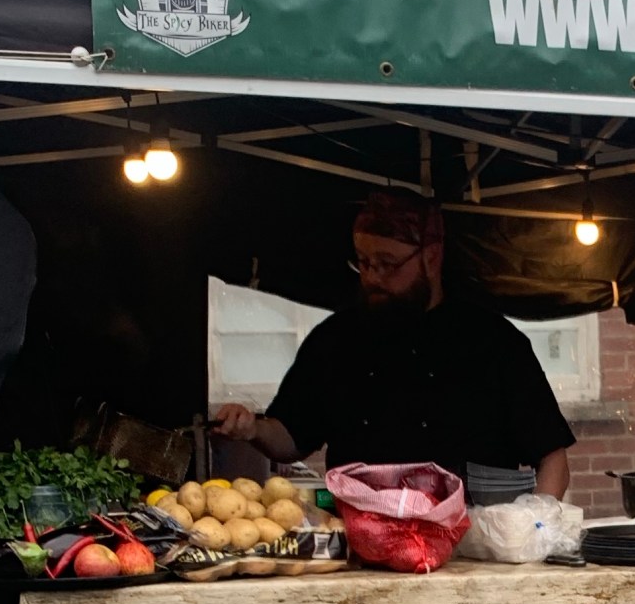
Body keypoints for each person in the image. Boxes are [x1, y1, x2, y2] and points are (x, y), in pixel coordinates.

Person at [210, 190, 575, 496]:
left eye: (388, 263)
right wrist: (253, 429)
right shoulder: (334, 340)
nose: (373, 277)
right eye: (364, 262)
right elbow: (292, 436)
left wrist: (536, 528)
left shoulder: (495, 342)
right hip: (362, 541)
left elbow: (552, 459)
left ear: (432, 257)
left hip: (473, 543)